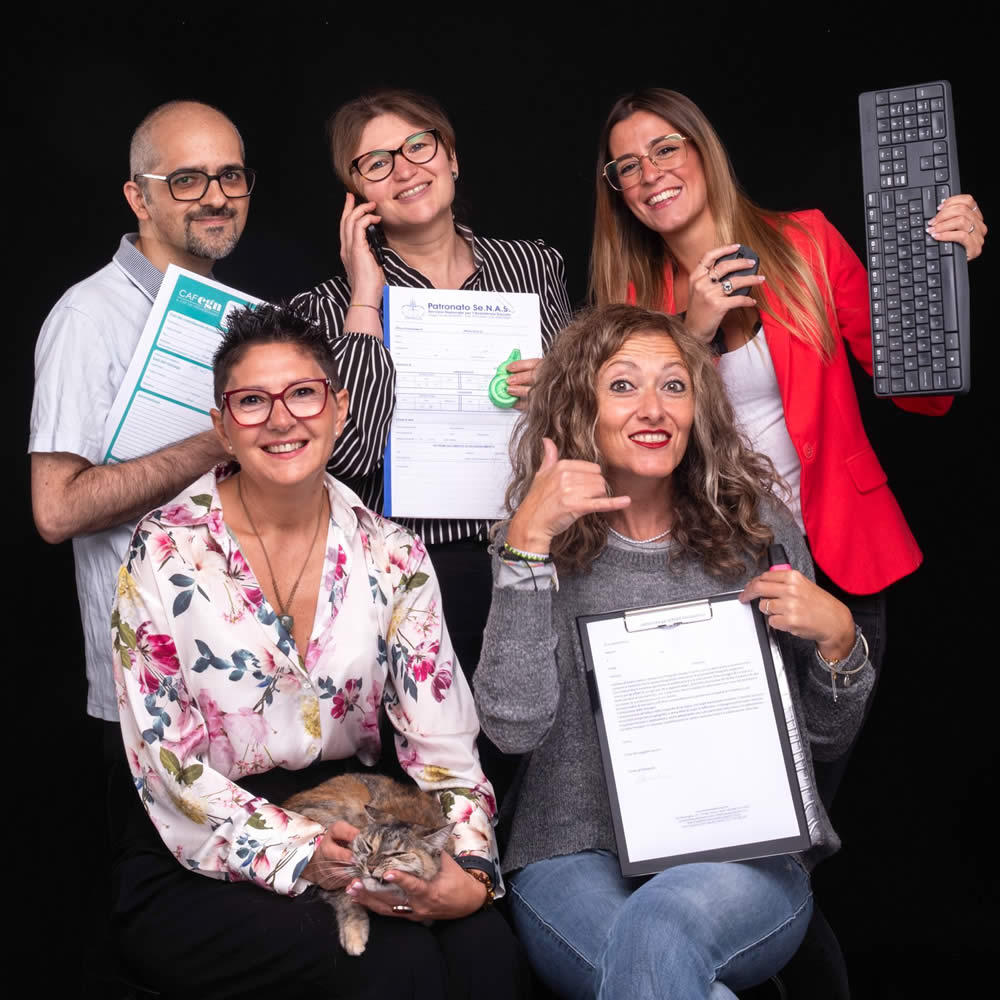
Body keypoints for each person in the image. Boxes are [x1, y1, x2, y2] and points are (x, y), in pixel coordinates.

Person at [110, 303, 524, 999]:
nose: (281, 419)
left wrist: (473, 869)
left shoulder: (394, 554)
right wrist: (301, 851)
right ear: (221, 425)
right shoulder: (163, 550)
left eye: (303, 393)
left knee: (487, 954)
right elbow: (167, 767)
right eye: (251, 401)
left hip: (360, 815)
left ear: (339, 408)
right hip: (200, 833)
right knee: (395, 969)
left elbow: (444, 745)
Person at [590, 88, 986, 800]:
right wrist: (692, 331)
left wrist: (943, 271)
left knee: (817, 786)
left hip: (840, 556)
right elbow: (638, 451)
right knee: (731, 795)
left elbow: (921, 393)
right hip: (714, 570)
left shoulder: (805, 242)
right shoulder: (628, 301)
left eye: (665, 148)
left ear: (703, 151)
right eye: (627, 166)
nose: (650, 174)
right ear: (618, 191)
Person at [473, 305, 874, 1000]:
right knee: (662, 964)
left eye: (674, 385)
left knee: (659, 928)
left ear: (698, 408)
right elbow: (514, 726)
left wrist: (841, 643)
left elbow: (820, 741)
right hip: (572, 852)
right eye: (623, 385)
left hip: (744, 854)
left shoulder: (759, 531)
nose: (653, 408)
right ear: (581, 408)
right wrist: (527, 548)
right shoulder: (536, 537)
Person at [291, 89, 572, 681]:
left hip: (536, 553)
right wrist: (365, 297)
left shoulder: (534, 266)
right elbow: (346, 458)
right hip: (404, 576)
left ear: (452, 158)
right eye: (377, 162)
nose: (405, 169)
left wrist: (561, 387)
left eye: (418, 146)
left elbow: (582, 427)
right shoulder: (323, 310)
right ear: (357, 193)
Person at [29, 100, 253, 750]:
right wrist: (216, 442)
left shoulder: (241, 319)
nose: (216, 197)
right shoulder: (88, 317)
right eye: (186, 180)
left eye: (230, 175)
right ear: (139, 198)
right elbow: (57, 511)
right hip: (151, 694)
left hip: (245, 677)